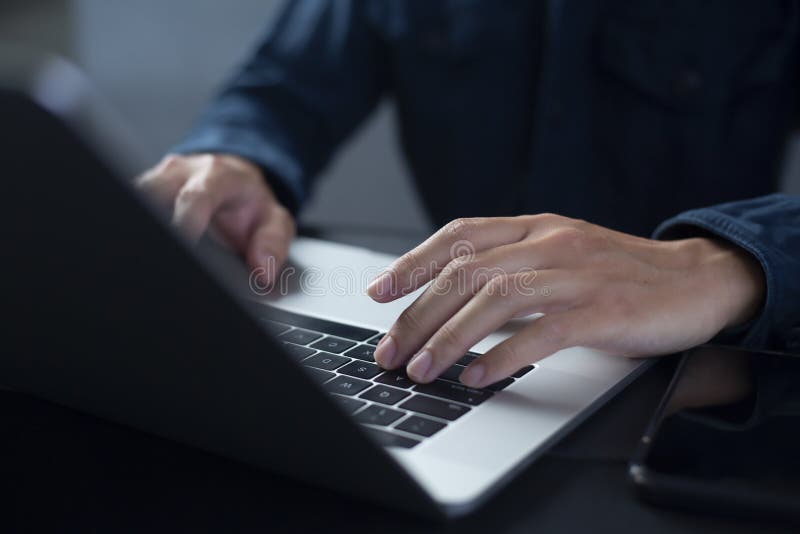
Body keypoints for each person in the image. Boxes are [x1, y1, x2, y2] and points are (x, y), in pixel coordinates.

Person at [137, 1, 800, 390]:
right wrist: (236, 159)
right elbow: (283, 88)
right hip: (460, 357)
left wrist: (725, 264)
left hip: (697, 385)